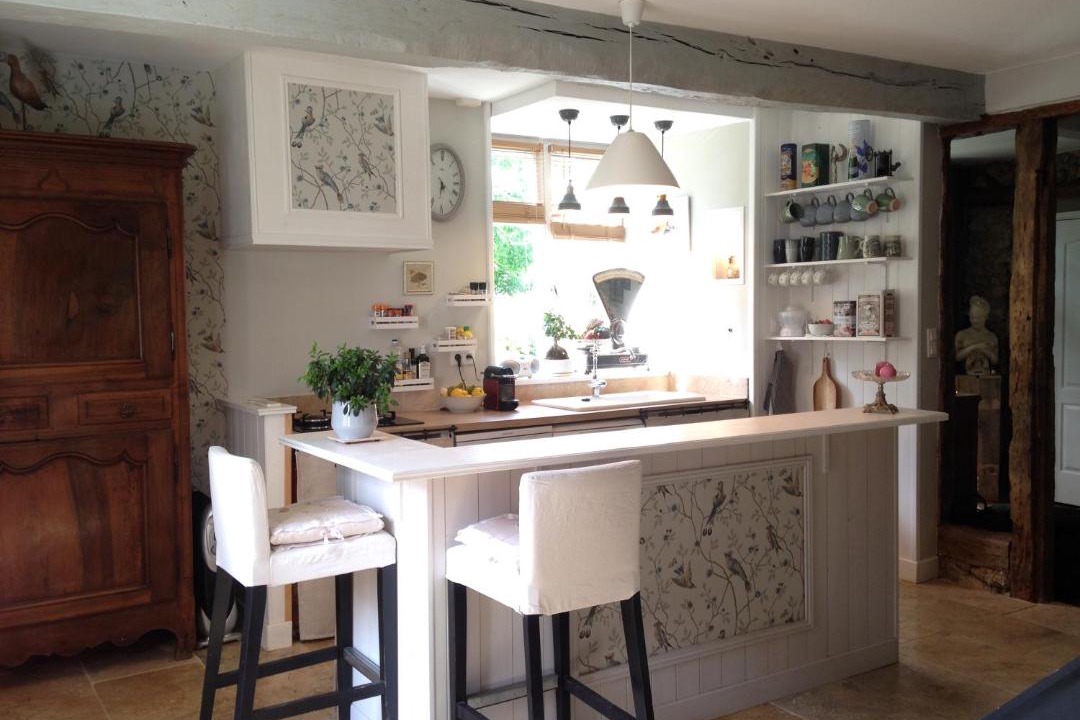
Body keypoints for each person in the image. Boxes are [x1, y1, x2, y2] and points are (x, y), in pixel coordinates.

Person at [954, 295, 998, 376]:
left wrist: (984, 350)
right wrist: (976, 347)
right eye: (972, 317)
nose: (975, 321)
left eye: (978, 318)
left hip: (986, 375)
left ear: (986, 317)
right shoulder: (962, 335)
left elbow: (995, 360)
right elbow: (957, 357)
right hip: (965, 376)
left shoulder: (991, 337)